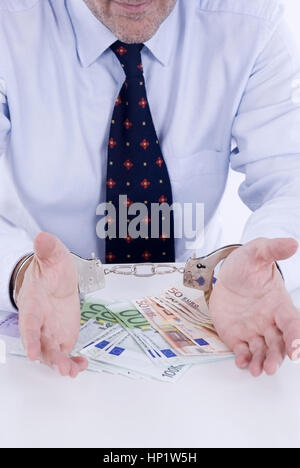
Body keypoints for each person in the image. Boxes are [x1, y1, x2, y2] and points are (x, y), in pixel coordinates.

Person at [0, 0, 300, 379]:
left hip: (208, 326)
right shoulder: (10, 22)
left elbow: (290, 178)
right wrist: (19, 272)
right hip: (35, 339)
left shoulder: (250, 20)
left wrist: (266, 264)